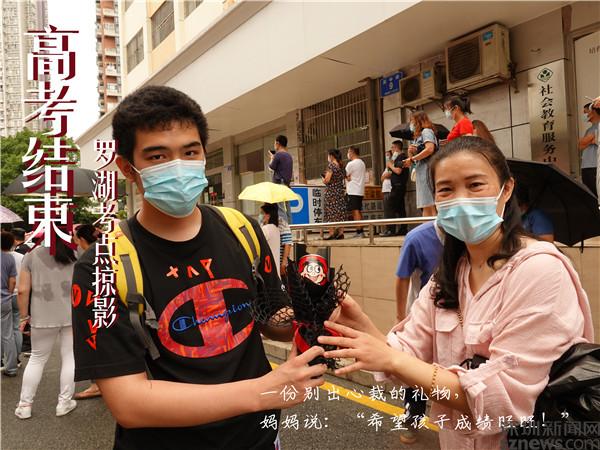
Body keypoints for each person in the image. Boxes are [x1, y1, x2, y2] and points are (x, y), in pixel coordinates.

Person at [71, 86, 326, 449]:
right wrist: (265, 390)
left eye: (190, 152)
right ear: (128, 168)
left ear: (204, 154)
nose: (178, 166)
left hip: (262, 438)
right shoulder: (102, 266)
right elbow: (129, 403)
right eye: (158, 156)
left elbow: (271, 317)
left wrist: (314, 315)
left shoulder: (241, 229)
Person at [318, 136, 594, 450]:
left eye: (475, 185)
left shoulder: (539, 270)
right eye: (446, 189)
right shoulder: (449, 274)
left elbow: (504, 397)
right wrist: (362, 327)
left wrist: (393, 361)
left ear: (506, 189)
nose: (460, 199)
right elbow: (408, 352)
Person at [15, 237, 78, 419]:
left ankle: (25, 406)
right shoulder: (75, 253)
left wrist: (23, 316)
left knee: (37, 359)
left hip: (41, 316)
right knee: (70, 357)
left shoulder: (31, 255)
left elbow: (22, 290)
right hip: (72, 314)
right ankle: (64, 403)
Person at [394, 221, 443, 444]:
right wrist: (400, 317)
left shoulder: (470, 238)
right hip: (422, 317)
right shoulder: (417, 238)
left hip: (458, 317)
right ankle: (412, 419)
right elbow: (402, 278)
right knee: (415, 372)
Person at [72, 224, 103, 400]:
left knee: (94, 343)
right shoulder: (106, 248)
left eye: (76, 238)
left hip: (95, 307)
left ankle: (97, 385)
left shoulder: (87, 257)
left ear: (82, 239)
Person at [404, 111, 437, 217]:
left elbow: (430, 149)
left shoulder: (426, 131)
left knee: (430, 203)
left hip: (427, 169)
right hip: (421, 170)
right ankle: (426, 226)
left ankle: (433, 226)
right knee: (425, 204)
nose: (411, 123)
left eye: (412, 120)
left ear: (418, 120)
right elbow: (417, 154)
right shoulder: (418, 136)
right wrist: (411, 152)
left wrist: (413, 158)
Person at [1, 232, 19, 377]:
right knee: (8, 334)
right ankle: (11, 367)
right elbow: (12, 281)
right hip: (4, 299)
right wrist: (8, 293)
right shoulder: (10, 258)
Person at [269, 135, 294, 224]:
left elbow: (271, 167)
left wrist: (272, 158)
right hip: (287, 185)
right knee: (287, 208)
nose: (274, 145)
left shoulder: (278, 155)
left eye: (275, 143)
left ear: (278, 143)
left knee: (280, 208)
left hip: (279, 184)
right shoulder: (289, 156)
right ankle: (290, 228)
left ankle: (284, 228)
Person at [386, 140, 408, 235]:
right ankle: (403, 229)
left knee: (390, 205)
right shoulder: (397, 158)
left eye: (392, 147)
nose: (391, 149)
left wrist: (390, 165)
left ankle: (390, 229)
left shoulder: (401, 157)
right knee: (400, 208)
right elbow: (390, 172)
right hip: (398, 185)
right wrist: (390, 163)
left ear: (396, 148)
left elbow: (398, 171)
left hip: (398, 185)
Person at [322, 148, 346, 240]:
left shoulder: (331, 166)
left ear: (331, 156)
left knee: (330, 212)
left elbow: (327, 180)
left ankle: (331, 233)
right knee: (340, 212)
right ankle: (341, 233)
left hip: (331, 192)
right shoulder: (341, 165)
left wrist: (323, 179)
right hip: (339, 191)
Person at [345, 145, 367, 238]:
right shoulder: (362, 163)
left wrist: (348, 177)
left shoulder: (351, 164)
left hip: (353, 190)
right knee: (358, 210)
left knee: (355, 211)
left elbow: (344, 174)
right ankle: (360, 230)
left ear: (352, 152)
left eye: (348, 152)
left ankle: (359, 231)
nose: (348, 154)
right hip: (360, 190)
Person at [578, 102, 598, 196]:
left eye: (585, 112)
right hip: (586, 167)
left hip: (595, 167)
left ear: (593, 111)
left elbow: (584, 142)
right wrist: (591, 140)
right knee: (591, 196)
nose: (584, 115)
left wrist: (587, 141)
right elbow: (580, 145)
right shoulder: (589, 130)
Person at [259, 203, 281, 277]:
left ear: (268, 216)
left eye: (262, 213)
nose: (261, 215)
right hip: (276, 270)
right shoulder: (276, 228)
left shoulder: (266, 229)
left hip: (268, 269)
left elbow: (258, 244)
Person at [380, 148, 394, 236]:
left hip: (389, 189)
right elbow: (382, 178)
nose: (386, 157)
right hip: (385, 190)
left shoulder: (391, 164)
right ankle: (387, 229)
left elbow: (389, 175)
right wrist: (384, 176)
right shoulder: (386, 167)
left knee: (390, 211)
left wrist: (384, 176)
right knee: (386, 211)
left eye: (388, 155)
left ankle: (391, 230)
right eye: (386, 155)